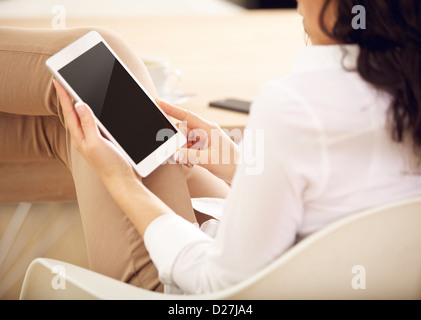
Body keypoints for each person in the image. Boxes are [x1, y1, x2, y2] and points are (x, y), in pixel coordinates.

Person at [1, 0, 421, 294]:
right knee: (89, 122)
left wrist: (122, 183)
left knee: (97, 58)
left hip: (185, 294)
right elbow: (342, 210)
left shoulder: (295, 104)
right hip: (280, 265)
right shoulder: (404, 87)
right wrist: (239, 162)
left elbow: (216, 286)